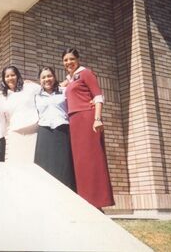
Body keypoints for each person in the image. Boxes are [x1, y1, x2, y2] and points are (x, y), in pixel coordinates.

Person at [62, 48, 114, 208]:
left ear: (78, 59)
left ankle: (98, 202)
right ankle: (86, 202)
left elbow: (98, 96)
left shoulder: (85, 73)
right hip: (74, 120)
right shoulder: (70, 79)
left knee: (92, 160)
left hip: (87, 119)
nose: (68, 62)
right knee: (81, 163)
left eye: (71, 59)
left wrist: (97, 119)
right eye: (65, 60)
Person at [34, 66, 76, 191]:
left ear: (55, 77)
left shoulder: (64, 91)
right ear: (39, 80)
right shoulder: (36, 96)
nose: (47, 79)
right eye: (43, 77)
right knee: (45, 167)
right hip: (44, 132)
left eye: (49, 76)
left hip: (62, 130)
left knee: (64, 167)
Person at [0, 65, 41, 163]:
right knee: (17, 164)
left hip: (33, 131)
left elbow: (49, 89)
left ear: (17, 76)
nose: (10, 78)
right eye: (7, 76)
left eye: (12, 75)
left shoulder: (29, 87)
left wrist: (69, 79)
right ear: (4, 79)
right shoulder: (2, 97)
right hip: (15, 134)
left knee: (34, 163)